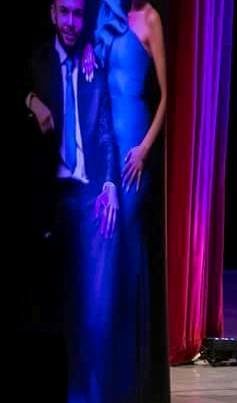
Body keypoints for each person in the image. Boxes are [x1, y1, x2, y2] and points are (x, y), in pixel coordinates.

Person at [24, 0, 120, 400]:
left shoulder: (93, 62)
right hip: (47, 202)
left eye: (77, 14)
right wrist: (30, 100)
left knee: (93, 313)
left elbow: (106, 126)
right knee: (48, 312)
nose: (70, 22)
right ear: (52, 13)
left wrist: (110, 182)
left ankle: (90, 391)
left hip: (87, 197)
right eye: (64, 12)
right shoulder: (37, 62)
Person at [82, 0, 170, 400]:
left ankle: (135, 350)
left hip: (134, 138)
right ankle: (107, 346)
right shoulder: (106, 14)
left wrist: (145, 149)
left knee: (128, 239)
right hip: (105, 139)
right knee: (104, 238)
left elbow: (165, 96)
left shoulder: (150, 17)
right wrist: (89, 49)